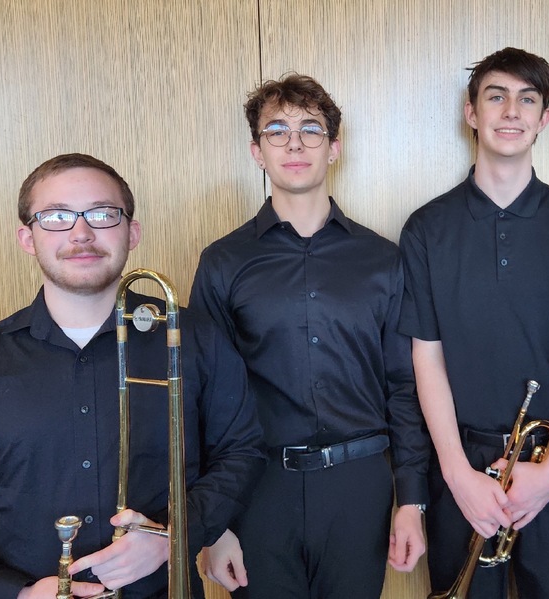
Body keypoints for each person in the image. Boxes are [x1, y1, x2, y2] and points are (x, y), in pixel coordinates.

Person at [0, 153, 266, 599]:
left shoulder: (192, 339)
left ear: (132, 231)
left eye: (103, 214)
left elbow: (240, 453)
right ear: (27, 237)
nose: (81, 233)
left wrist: (173, 536)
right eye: (57, 216)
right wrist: (14, 594)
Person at [190, 73, 430, 599]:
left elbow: (404, 385)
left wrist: (411, 500)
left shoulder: (384, 260)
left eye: (310, 129)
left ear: (334, 148)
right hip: (256, 490)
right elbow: (203, 398)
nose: (294, 143)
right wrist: (216, 522)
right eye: (276, 130)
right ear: (257, 152)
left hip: (360, 485)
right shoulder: (222, 262)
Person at [398, 48, 549, 597]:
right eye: (496, 96)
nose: (511, 111)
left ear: (544, 118)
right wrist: (455, 474)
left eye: (527, 99)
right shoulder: (427, 228)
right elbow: (426, 354)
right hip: (461, 470)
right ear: (472, 113)